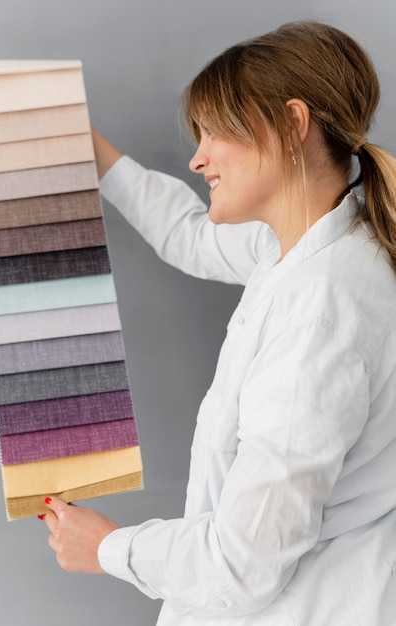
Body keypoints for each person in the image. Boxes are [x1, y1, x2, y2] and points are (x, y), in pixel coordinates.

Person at [41, 19, 396, 625]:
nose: (197, 157)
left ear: (292, 122)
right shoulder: (311, 241)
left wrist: (107, 548)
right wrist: (92, 151)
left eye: (215, 132)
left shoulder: (323, 308)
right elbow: (188, 235)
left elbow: (243, 563)